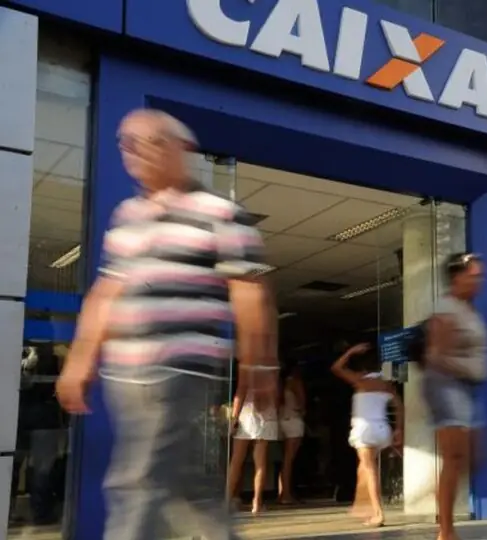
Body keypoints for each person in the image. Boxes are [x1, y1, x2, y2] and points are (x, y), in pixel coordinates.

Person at [55, 109, 277, 540]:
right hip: (124, 374)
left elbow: (250, 292)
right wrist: (80, 358)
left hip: (179, 368)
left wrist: (259, 363)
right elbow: (106, 292)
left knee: (139, 479)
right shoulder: (127, 215)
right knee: (186, 486)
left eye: (150, 140)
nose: (134, 151)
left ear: (183, 148)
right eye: (126, 143)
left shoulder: (220, 212)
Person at [423, 252, 487, 540]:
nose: (479, 281)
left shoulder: (469, 309)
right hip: (447, 386)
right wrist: (469, 368)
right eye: (474, 275)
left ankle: (438, 495)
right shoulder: (447, 308)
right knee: (454, 457)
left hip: (469, 387)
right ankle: (446, 531)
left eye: (480, 276)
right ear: (457, 277)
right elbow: (436, 355)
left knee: (474, 458)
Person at [331, 342, 403, 527]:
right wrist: (398, 429)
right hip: (382, 429)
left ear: (362, 367)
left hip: (364, 430)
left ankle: (378, 513)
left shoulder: (360, 380)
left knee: (369, 470)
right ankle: (363, 505)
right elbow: (399, 406)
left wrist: (350, 352)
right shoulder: (387, 384)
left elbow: (336, 368)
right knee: (364, 467)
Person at [227, 377, 278, 514]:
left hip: (246, 416)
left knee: (236, 461)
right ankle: (257, 502)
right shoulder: (270, 374)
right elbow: (276, 398)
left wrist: (234, 418)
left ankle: (227, 499)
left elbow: (240, 393)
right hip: (265, 418)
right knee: (260, 463)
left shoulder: (248, 373)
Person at [278, 362, 306, 505]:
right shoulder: (296, 382)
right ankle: (286, 494)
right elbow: (302, 403)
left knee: (285, 459)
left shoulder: (280, 384)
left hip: (283, 419)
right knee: (290, 459)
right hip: (294, 420)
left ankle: (282, 492)